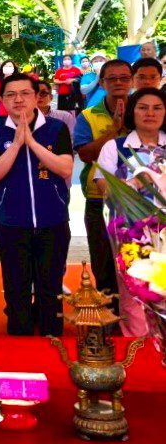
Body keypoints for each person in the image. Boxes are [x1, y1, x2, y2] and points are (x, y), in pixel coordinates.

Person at [0, 72, 73, 336]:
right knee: (16, 289)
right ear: (3, 100)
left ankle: (51, 341)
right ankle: (19, 343)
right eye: (10, 94)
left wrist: (32, 143)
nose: (18, 99)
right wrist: (17, 144)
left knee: (50, 288)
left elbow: (65, 168)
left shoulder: (56, 129)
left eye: (25, 93)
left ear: (37, 97)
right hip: (11, 224)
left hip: (52, 221)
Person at [93, 87, 166, 336]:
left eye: (157, 108)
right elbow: (105, 188)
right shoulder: (115, 148)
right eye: (142, 107)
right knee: (134, 294)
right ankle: (138, 348)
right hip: (131, 233)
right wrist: (137, 180)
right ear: (132, 112)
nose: (150, 113)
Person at [73, 59, 133, 298]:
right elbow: (85, 154)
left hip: (140, 202)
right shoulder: (88, 116)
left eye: (124, 78)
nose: (118, 83)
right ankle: (108, 317)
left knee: (138, 262)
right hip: (99, 200)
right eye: (112, 78)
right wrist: (114, 131)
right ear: (103, 82)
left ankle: (139, 318)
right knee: (103, 262)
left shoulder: (144, 112)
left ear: (131, 81)